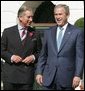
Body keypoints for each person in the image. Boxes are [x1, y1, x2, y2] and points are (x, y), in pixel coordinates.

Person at [36, 4, 84, 90]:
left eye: (60, 14)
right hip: (48, 78)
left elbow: (80, 57)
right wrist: (39, 72)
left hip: (67, 78)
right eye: (55, 14)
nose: (57, 17)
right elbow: (43, 55)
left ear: (67, 15)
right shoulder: (48, 32)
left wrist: (77, 75)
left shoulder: (77, 32)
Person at [1, 5, 42, 90]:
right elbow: (2, 50)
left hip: (27, 77)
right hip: (10, 76)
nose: (31, 20)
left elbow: (40, 52)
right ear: (20, 17)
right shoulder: (7, 32)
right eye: (29, 17)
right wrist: (11, 57)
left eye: (32, 17)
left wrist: (33, 57)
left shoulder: (35, 33)